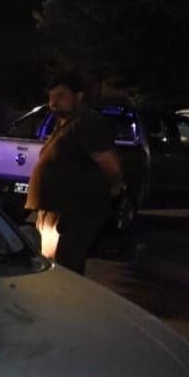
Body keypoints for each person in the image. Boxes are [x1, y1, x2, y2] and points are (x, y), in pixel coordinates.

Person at [24, 72, 124, 274]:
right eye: (51, 97)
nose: (54, 102)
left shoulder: (87, 122)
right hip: (55, 210)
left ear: (79, 96)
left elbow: (111, 166)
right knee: (51, 268)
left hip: (73, 213)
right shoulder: (64, 124)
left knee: (65, 269)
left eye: (61, 95)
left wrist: (111, 189)